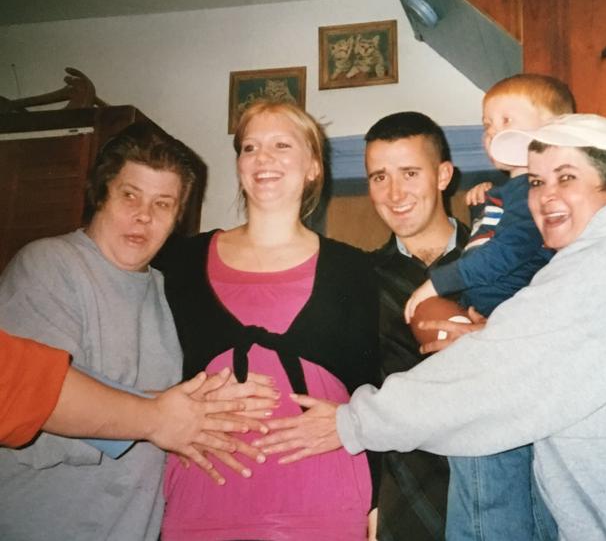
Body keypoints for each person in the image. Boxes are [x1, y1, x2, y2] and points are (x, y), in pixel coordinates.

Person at [260, 113, 606, 540]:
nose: (545, 196)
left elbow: (490, 380)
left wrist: (351, 423)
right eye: (536, 181)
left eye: (568, 177)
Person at [0, 122, 278, 540]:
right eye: (130, 195)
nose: (144, 215)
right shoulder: (50, 265)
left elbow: (149, 410)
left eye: (163, 204)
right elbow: (37, 400)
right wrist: (162, 416)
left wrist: (200, 409)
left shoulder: (167, 291)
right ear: (101, 194)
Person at [153, 100, 381, 541]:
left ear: (313, 166)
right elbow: (137, 369)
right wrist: (168, 408)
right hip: (203, 498)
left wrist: (377, 507)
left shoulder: (355, 269)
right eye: (250, 147)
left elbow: (374, 387)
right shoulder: (178, 260)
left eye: (281, 145)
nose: (263, 158)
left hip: (325, 500)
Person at [403, 74, 573, 541]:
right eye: (486, 124)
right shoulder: (509, 193)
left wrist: (437, 282)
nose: (492, 133)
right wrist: (487, 199)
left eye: (506, 121)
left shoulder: (534, 197)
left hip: (509, 332)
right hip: (492, 328)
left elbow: (504, 254)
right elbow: (489, 241)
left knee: (486, 472)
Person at [361, 111, 470, 540]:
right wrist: (369, 500)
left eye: (409, 173)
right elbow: (353, 389)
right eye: (379, 177)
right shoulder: (359, 278)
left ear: (443, 175)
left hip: (500, 479)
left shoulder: (499, 261)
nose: (394, 194)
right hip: (405, 493)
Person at [0, 329, 262, 461]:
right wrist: (159, 418)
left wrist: (182, 411)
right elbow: (25, 387)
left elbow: (33, 380)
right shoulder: (48, 266)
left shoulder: (166, 283)